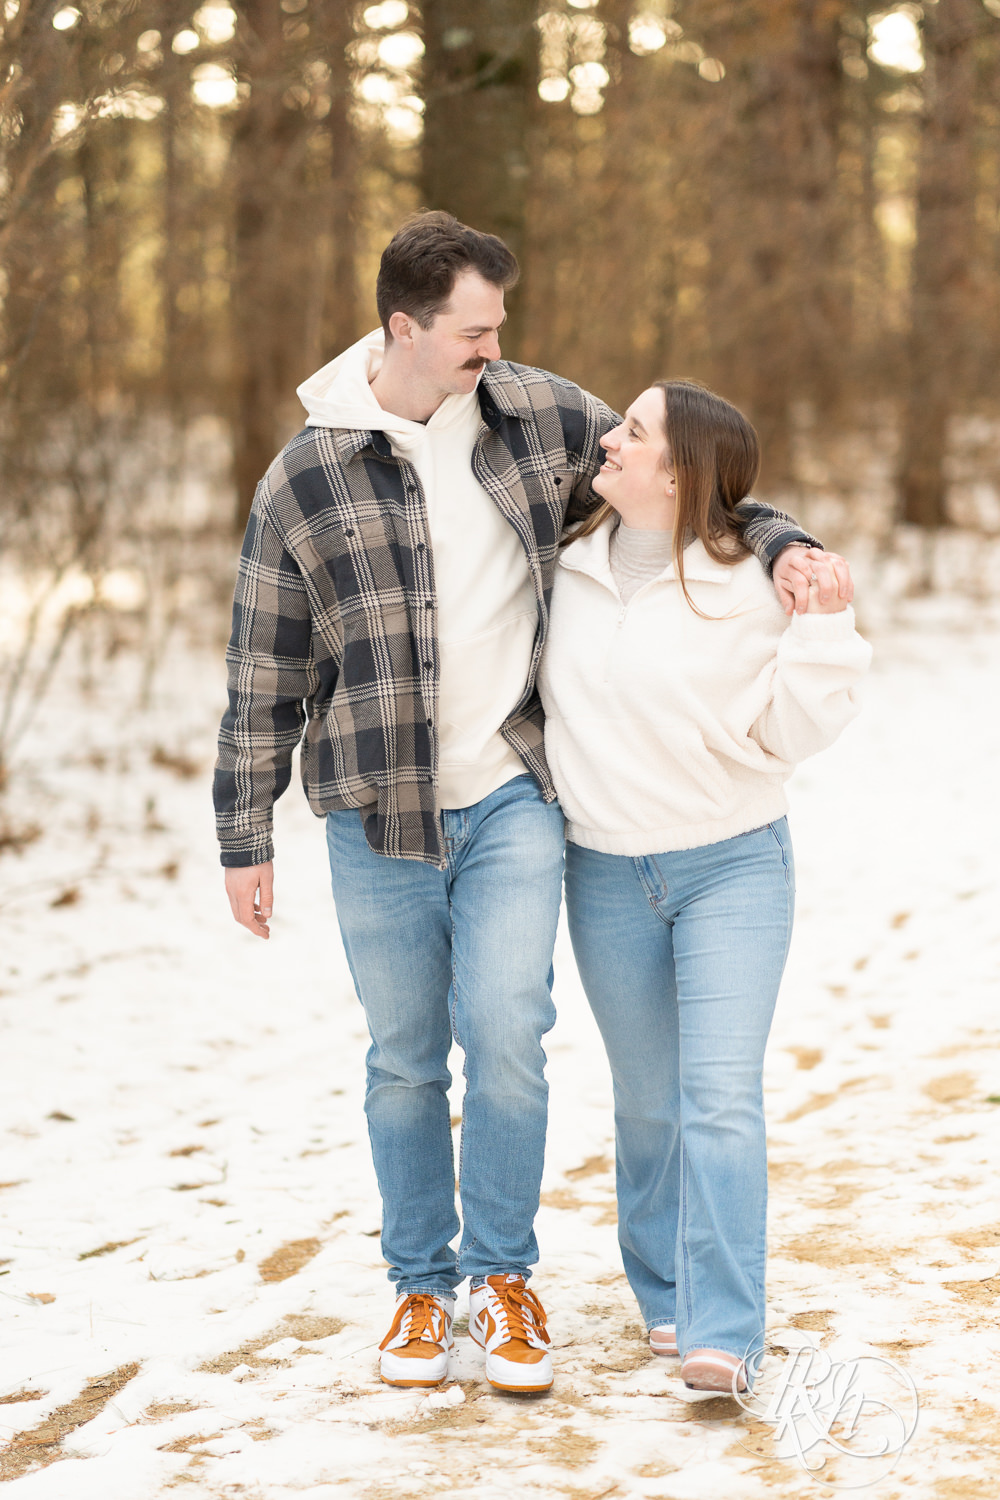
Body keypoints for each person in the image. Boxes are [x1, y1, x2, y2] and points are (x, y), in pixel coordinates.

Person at [214, 212, 851, 1394]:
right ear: (404, 327)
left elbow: (685, 478)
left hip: (513, 794)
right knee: (405, 1058)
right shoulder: (304, 477)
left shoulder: (538, 415)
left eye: (500, 324)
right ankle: (420, 1287)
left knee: (508, 1036)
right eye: (474, 328)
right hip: (374, 808)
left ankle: (504, 1278)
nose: (495, 346)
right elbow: (265, 666)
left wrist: (785, 544)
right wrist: (242, 830)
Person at [538, 380, 871, 1393]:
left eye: (633, 432)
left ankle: (724, 1329)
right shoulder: (562, 566)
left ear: (679, 475)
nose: (608, 437)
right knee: (648, 1105)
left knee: (718, 1097)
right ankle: (667, 1298)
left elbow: (796, 729)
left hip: (731, 862)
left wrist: (820, 627)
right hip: (601, 867)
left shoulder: (749, 581)